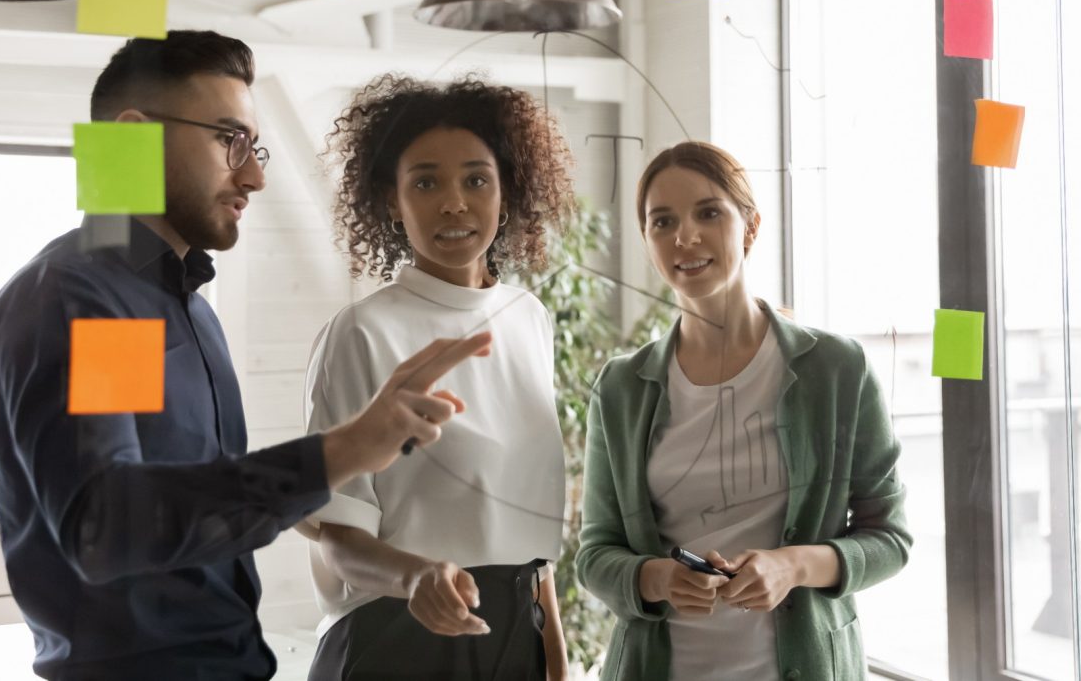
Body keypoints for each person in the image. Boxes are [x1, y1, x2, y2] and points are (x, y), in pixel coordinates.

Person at [0, 32, 489, 681]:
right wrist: (342, 452)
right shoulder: (93, 295)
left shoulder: (177, 303)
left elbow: (181, 506)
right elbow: (112, 525)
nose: (255, 175)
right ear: (133, 138)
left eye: (255, 147)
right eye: (230, 140)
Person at [576, 141, 911, 681]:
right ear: (647, 240)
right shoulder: (621, 387)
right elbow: (595, 555)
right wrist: (659, 578)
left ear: (750, 227)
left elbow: (889, 538)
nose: (685, 236)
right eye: (662, 222)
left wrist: (792, 566)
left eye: (708, 213)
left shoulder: (837, 369)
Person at [302, 75, 574, 680]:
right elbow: (337, 536)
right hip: (395, 638)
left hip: (514, 638)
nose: (454, 202)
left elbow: (531, 538)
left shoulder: (530, 318)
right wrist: (417, 577)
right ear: (390, 199)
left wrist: (555, 660)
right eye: (425, 182)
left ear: (509, 189)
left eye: (476, 179)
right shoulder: (363, 332)